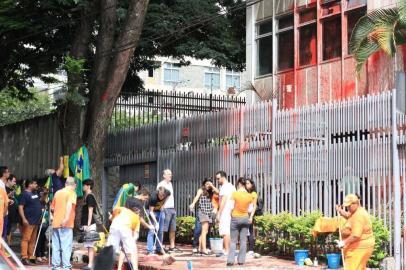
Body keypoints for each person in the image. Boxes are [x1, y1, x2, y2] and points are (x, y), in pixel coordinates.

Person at [107, 197, 154, 270]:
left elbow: (111, 218)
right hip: (125, 228)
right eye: (138, 211)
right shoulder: (136, 218)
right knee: (133, 250)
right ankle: (135, 269)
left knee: (111, 249)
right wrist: (131, 242)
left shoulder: (120, 209)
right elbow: (135, 235)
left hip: (114, 227)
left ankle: (116, 268)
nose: (139, 212)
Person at [335, 194, 375, 270]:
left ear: (356, 203)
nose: (348, 208)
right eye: (346, 206)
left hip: (360, 246)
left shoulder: (359, 215)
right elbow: (347, 215)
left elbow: (356, 235)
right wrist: (340, 211)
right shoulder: (356, 211)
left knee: (351, 267)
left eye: (349, 206)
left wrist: (343, 242)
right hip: (361, 245)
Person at [227, 177, 255, 266]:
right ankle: (241, 261)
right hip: (245, 218)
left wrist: (231, 215)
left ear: (239, 184)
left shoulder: (234, 194)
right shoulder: (249, 196)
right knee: (243, 240)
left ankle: (230, 261)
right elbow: (250, 209)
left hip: (235, 218)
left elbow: (231, 207)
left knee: (233, 241)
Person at [50, 177, 77, 270]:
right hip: (66, 224)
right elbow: (69, 205)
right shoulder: (72, 193)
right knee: (66, 247)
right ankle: (66, 267)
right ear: (74, 185)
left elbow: (52, 208)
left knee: (56, 246)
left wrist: (52, 218)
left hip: (56, 223)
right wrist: (65, 219)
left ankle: (55, 267)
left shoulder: (58, 193)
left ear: (65, 184)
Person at [189, 178, 218, 255]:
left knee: (204, 232)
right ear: (204, 184)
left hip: (209, 212)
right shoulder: (201, 190)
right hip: (203, 212)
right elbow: (196, 197)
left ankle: (201, 248)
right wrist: (193, 203)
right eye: (207, 184)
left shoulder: (211, 191)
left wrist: (212, 186)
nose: (208, 185)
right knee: (204, 232)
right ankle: (204, 249)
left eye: (209, 184)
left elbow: (218, 192)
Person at [19, 179, 42, 265]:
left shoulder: (35, 193)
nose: (36, 185)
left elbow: (40, 202)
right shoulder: (25, 194)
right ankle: (24, 257)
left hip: (36, 221)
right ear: (30, 185)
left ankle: (30, 257)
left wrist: (45, 195)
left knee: (33, 240)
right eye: (35, 183)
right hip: (29, 220)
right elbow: (20, 207)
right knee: (26, 239)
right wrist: (24, 219)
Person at [157, 169, 181, 253]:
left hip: (172, 208)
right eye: (168, 174)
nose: (170, 175)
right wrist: (161, 206)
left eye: (171, 174)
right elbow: (158, 196)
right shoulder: (161, 184)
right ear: (164, 175)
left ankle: (172, 246)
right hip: (165, 208)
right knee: (163, 228)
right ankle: (160, 246)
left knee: (172, 229)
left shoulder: (170, 184)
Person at [215, 170, 235, 256]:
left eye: (218, 178)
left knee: (225, 231)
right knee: (228, 231)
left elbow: (223, 200)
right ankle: (228, 249)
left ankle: (227, 250)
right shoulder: (232, 186)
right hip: (230, 210)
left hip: (225, 210)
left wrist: (219, 213)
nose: (217, 180)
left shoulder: (224, 187)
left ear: (223, 177)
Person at [146, 186, 170, 255]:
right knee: (152, 230)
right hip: (151, 211)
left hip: (160, 210)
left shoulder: (167, 193)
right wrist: (156, 223)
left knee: (160, 231)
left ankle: (159, 249)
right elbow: (151, 212)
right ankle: (149, 250)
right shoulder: (153, 197)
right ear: (158, 193)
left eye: (163, 196)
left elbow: (169, 196)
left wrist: (163, 205)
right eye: (160, 196)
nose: (161, 198)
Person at [81, 179, 97, 270]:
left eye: (84, 185)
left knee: (90, 245)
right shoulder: (86, 196)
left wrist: (87, 225)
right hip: (87, 224)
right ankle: (90, 264)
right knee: (88, 245)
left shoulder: (90, 196)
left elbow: (90, 211)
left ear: (88, 186)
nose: (83, 187)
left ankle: (91, 265)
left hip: (89, 225)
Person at [35, 185, 49, 264]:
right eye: (44, 194)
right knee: (39, 239)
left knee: (44, 239)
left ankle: (43, 253)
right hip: (39, 223)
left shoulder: (45, 202)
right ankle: (38, 255)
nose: (45, 196)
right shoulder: (38, 201)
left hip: (45, 223)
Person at [245, 178, 258, 256]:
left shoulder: (253, 194)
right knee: (245, 231)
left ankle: (251, 249)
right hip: (244, 213)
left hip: (249, 214)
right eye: (246, 183)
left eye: (248, 183)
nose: (247, 185)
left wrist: (251, 216)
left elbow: (254, 206)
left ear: (252, 184)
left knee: (250, 231)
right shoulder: (246, 193)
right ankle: (248, 249)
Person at [5, 174, 18, 245]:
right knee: (5, 230)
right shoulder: (3, 189)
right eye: (14, 181)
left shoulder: (12, 189)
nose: (15, 183)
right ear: (9, 180)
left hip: (11, 215)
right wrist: (8, 196)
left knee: (9, 229)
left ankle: (8, 245)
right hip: (5, 214)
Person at [0, 167, 9, 251]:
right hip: (2, 213)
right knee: (2, 233)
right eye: (7, 172)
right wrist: (3, 214)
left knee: (3, 233)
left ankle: (2, 251)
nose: (8, 173)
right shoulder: (1, 184)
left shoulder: (2, 184)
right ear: (3, 173)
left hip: (4, 213)